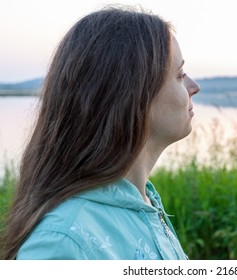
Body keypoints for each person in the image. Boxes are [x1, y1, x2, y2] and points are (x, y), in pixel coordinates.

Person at [1, 5, 200, 260]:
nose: (194, 86)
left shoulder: (145, 203)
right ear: (132, 92)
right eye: (180, 74)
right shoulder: (61, 243)